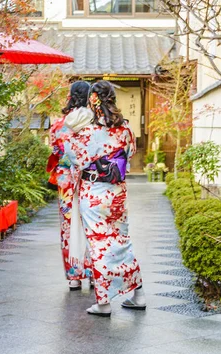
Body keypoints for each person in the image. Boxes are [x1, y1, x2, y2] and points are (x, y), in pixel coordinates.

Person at [64, 80, 146, 317]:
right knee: (122, 241)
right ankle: (138, 294)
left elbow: (74, 159)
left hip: (94, 192)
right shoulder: (126, 129)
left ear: (92, 100)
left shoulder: (87, 132)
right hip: (117, 192)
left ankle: (103, 303)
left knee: (100, 245)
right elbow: (129, 154)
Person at [47, 81, 94, 291]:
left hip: (66, 179)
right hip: (89, 177)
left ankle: (74, 276)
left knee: (68, 226)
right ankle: (94, 273)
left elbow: (56, 152)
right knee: (91, 225)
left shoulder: (59, 124)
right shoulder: (95, 121)